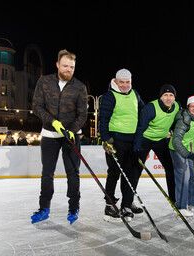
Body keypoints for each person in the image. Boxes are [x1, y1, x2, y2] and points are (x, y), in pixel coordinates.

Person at [31, 49, 88, 224]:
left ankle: (73, 208)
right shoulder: (44, 82)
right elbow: (37, 107)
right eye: (65, 66)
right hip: (49, 134)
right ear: (57, 65)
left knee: (73, 173)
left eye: (71, 67)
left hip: (71, 136)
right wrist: (53, 122)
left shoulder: (79, 87)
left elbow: (83, 114)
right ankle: (44, 207)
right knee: (47, 173)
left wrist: (73, 129)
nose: (68, 70)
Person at [99, 68, 145, 222]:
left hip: (131, 140)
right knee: (114, 172)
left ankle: (127, 202)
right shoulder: (109, 96)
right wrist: (106, 140)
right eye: (122, 82)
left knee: (129, 173)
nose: (125, 85)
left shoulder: (135, 94)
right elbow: (103, 120)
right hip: (115, 140)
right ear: (116, 81)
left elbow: (143, 111)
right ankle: (109, 205)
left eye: (128, 82)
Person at [133, 84, 180, 203]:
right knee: (136, 170)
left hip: (161, 140)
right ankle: (129, 201)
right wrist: (136, 148)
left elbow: (177, 122)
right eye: (165, 95)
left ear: (174, 98)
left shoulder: (177, 107)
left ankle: (174, 199)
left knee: (171, 168)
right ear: (160, 97)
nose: (168, 98)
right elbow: (140, 128)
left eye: (171, 95)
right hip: (145, 140)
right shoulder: (151, 108)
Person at [169, 94, 194, 217]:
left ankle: (193, 202)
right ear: (188, 107)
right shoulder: (184, 119)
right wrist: (186, 154)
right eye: (192, 106)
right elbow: (176, 140)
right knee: (184, 176)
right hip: (178, 150)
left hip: (190, 150)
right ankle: (181, 206)